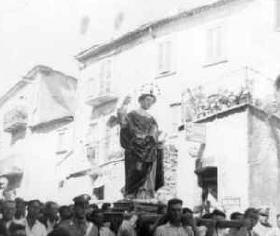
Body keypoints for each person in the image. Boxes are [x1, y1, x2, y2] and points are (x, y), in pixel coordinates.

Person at [117, 93, 164, 199]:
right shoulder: (132, 115)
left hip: (148, 148)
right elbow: (123, 123)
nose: (149, 103)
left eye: (151, 102)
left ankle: (143, 193)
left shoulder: (151, 119)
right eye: (147, 100)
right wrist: (124, 105)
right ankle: (131, 192)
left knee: (147, 171)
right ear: (141, 100)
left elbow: (154, 132)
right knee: (135, 170)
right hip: (135, 148)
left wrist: (153, 139)